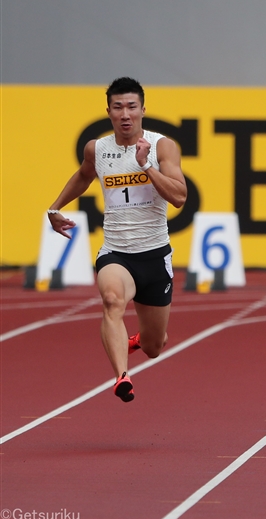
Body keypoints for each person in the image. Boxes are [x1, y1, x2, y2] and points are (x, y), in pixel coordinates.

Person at [47, 77, 187, 402]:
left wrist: (146, 167)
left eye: (131, 107)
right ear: (108, 111)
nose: (125, 114)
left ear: (142, 110)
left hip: (153, 256)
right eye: (118, 107)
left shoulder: (162, 146)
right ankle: (122, 377)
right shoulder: (97, 148)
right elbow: (83, 176)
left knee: (155, 346)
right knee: (112, 301)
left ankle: (138, 341)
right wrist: (55, 208)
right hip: (116, 253)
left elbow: (179, 197)